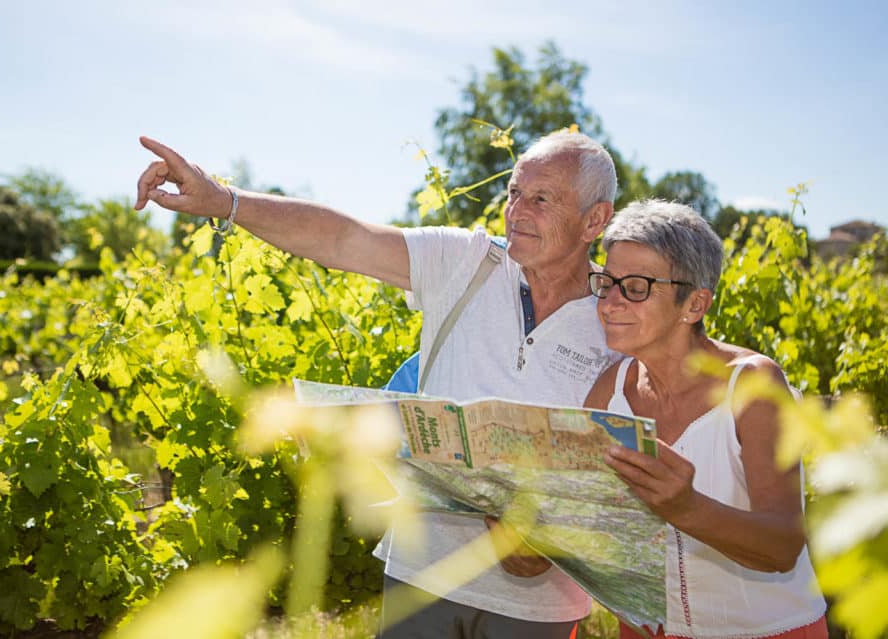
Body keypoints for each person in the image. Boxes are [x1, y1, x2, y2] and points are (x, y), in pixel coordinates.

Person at [135, 131, 622, 638]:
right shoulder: (467, 263)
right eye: (515, 193)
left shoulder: (620, 318)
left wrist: (555, 538)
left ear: (595, 219)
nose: (518, 211)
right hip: (421, 575)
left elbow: (628, 464)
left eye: (542, 199)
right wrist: (223, 201)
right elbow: (344, 238)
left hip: (540, 605)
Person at [582, 200, 828, 638]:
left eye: (635, 286)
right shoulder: (608, 391)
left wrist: (687, 508)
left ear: (694, 305)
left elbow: (784, 545)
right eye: (606, 282)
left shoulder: (753, 386)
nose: (609, 303)